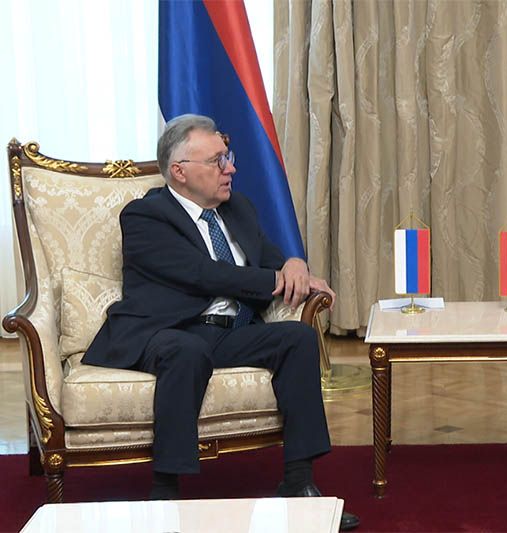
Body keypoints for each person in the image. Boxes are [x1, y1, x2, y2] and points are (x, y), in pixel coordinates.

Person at [84, 114, 358, 531]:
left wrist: (296, 265)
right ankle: (165, 493)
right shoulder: (144, 217)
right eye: (217, 161)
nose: (230, 168)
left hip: (232, 333)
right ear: (179, 171)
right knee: (187, 350)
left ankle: (299, 484)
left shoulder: (237, 208)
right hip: (167, 332)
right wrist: (275, 278)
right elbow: (203, 274)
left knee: (297, 339)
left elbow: (273, 258)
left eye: (227, 157)